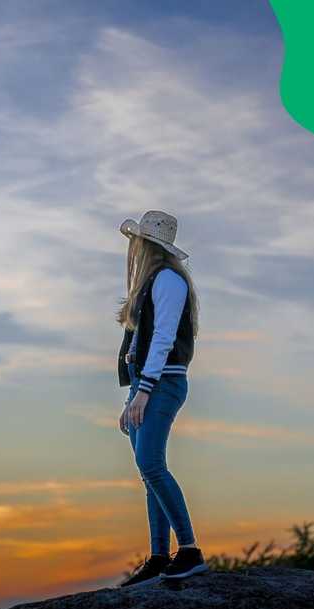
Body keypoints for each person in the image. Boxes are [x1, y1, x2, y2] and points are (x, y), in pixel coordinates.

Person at [115, 211, 207, 586]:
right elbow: (140, 341)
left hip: (162, 382)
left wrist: (146, 389)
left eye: (137, 242)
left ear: (147, 245)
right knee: (148, 471)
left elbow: (163, 337)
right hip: (147, 382)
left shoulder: (169, 280)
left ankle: (189, 551)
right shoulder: (154, 282)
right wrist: (132, 395)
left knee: (152, 466)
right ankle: (157, 556)